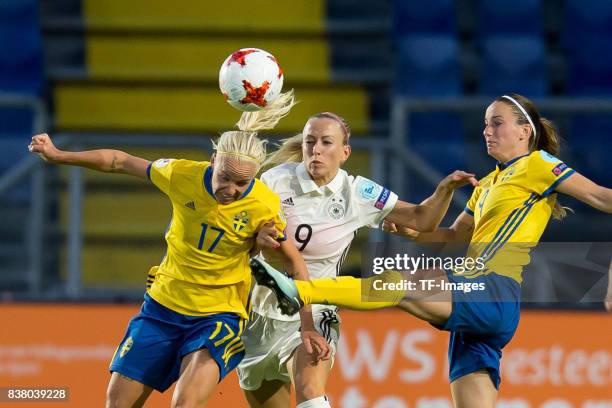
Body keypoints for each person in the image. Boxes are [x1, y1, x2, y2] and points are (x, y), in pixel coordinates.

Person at [252, 94, 612, 408]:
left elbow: (600, 196)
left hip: (492, 290)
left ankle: (300, 289)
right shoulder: (486, 184)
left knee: (397, 285)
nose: (487, 131)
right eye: (485, 124)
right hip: (476, 309)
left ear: (525, 131)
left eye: (497, 123)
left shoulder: (539, 165)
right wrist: (411, 231)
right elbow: (454, 237)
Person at [28, 91, 330, 408]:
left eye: (242, 184)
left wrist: (307, 325)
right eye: (225, 178)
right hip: (161, 309)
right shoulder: (182, 174)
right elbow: (120, 161)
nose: (231, 190)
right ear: (213, 162)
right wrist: (59, 155)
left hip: (218, 318)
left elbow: (293, 263)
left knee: (184, 405)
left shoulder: (264, 205)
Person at [238, 111, 477, 408]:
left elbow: (422, 219)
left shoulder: (357, 192)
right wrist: (257, 237)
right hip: (258, 315)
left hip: (316, 311)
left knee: (311, 390)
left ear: (345, 152)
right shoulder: (275, 182)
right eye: (310, 141)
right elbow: (240, 237)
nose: (316, 149)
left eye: (327, 142)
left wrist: (444, 190)